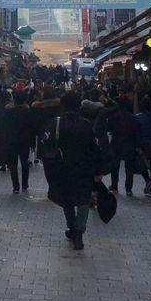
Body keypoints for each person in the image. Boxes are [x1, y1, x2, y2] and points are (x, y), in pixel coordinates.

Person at [43, 91, 99, 251]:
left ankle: (72, 227)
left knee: (67, 199)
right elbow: (93, 148)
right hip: (83, 168)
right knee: (83, 201)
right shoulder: (86, 124)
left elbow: (47, 146)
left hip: (63, 167)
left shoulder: (56, 123)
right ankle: (79, 232)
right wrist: (98, 170)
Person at [103, 97, 142, 196]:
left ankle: (114, 185)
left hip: (117, 142)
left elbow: (108, 128)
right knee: (129, 167)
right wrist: (138, 145)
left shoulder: (114, 116)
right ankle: (128, 188)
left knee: (114, 166)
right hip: (130, 143)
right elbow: (137, 132)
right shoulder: (133, 118)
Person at [0, 90, 34, 193]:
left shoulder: (8, 112)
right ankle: (25, 184)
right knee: (24, 162)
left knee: (13, 164)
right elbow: (31, 127)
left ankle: (15, 186)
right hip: (24, 140)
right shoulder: (27, 112)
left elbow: (3, 126)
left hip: (11, 140)